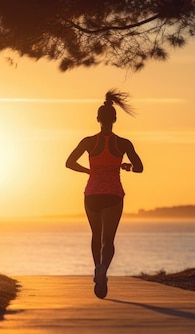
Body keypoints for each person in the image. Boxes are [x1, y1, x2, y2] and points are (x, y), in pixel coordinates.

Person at [65, 89, 144, 299]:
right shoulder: (123, 143)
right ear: (115, 119)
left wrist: (88, 171)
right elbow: (140, 167)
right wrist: (125, 166)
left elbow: (69, 162)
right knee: (108, 240)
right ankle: (103, 269)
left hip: (91, 195)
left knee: (95, 235)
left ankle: (97, 268)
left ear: (98, 119)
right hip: (113, 195)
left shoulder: (89, 142)